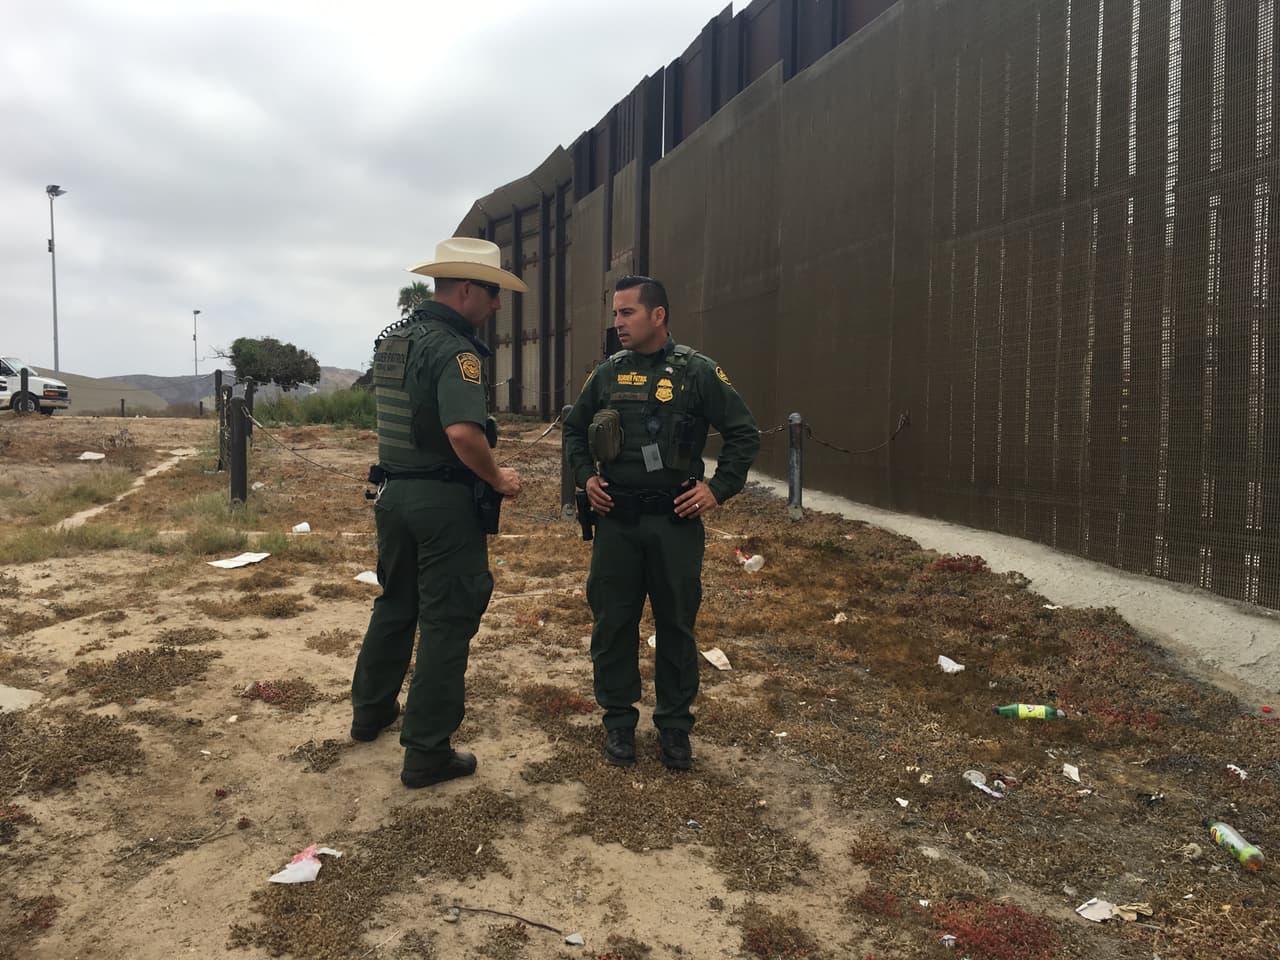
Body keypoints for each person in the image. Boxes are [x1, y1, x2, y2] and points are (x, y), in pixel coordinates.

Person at [563, 275, 760, 770]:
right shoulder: (607, 375)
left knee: (676, 624)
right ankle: (619, 722)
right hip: (617, 524)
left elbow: (743, 433)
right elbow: (573, 429)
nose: (617, 323)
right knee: (613, 623)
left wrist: (716, 489)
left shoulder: (696, 372)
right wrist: (586, 478)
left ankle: (674, 725)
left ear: (658, 316)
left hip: (674, 522)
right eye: (614, 314)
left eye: (627, 313)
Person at [350, 237, 525, 789]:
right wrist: (498, 478)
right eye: (494, 293)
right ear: (468, 289)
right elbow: (461, 432)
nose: (498, 305)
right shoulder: (457, 351)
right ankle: (427, 751)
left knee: (395, 603)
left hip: (394, 495)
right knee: (448, 619)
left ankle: (371, 711)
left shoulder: (394, 339)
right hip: (442, 503)